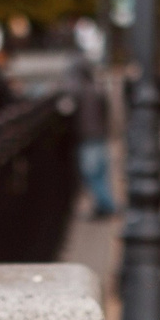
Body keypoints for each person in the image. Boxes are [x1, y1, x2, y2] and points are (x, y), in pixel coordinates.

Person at [68, 54, 116, 218]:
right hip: (99, 135)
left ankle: (107, 205)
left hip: (88, 137)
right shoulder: (96, 88)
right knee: (100, 173)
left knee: (92, 174)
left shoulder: (78, 90)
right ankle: (104, 205)